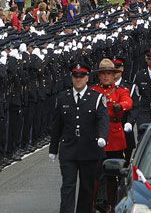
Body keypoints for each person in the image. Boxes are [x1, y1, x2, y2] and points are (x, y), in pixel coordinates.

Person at [49, 63, 109, 213]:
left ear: (87, 78)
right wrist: (53, 149)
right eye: (75, 76)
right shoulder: (63, 98)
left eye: (81, 76)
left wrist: (102, 137)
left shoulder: (96, 98)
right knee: (68, 185)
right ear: (71, 78)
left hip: (89, 149)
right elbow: (57, 125)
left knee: (87, 187)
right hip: (68, 148)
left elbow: (103, 120)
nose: (78, 79)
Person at [90, 59, 133, 211]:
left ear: (114, 75)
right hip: (97, 136)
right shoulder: (93, 91)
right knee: (96, 173)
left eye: (109, 73)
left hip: (114, 136)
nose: (106, 77)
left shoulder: (120, 91)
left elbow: (128, 102)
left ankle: (112, 203)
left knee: (113, 173)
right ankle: (95, 203)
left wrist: (119, 106)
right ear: (99, 76)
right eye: (103, 74)